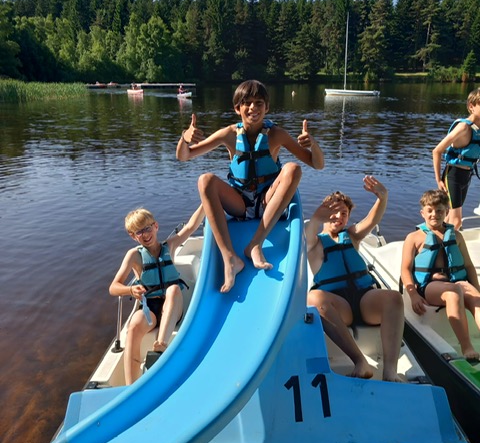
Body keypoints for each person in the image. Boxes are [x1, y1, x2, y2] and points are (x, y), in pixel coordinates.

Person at [176, 79, 325, 293]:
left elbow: (317, 164)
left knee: (293, 169)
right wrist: (184, 138)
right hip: (239, 203)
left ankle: (255, 244)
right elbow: (184, 156)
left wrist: (314, 144)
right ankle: (230, 258)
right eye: (247, 103)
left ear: (267, 107)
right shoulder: (228, 134)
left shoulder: (277, 134)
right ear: (237, 108)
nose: (253, 107)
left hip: (267, 200)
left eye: (259, 103)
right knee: (205, 180)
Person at [305, 176, 403, 382]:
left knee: (394, 297)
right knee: (314, 298)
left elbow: (371, 220)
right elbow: (309, 232)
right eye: (334, 211)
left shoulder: (352, 236)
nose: (338, 217)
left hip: (365, 300)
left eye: (344, 213)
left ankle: (390, 371)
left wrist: (382, 198)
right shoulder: (314, 243)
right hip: (339, 306)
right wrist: (316, 217)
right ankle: (360, 362)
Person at [109, 204, 204, 384]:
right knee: (134, 326)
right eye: (139, 232)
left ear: (156, 226)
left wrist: (207, 200)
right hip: (149, 309)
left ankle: (160, 347)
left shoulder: (171, 245)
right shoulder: (133, 255)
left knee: (173, 289)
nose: (145, 234)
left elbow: (191, 226)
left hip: (173, 308)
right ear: (133, 236)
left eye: (147, 228)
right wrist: (130, 289)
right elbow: (113, 287)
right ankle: (131, 386)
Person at [401, 189, 480, 363]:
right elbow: (405, 269)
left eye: (439, 210)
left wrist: (477, 288)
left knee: (476, 298)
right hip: (431, 285)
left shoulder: (456, 236)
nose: (434, 214)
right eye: (429, 210)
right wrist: (413, 295)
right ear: (422, 213)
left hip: (457, 281)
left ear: (447, 212)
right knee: (453, 292)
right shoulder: (414, 238)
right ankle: (466, 346)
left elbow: (468, 265)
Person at [432, 88, 480, 230]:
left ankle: (436, 241)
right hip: (453, 175)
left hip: (466, 175)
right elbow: (437, 151)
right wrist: (438, 180)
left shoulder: (478, 129)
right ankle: (442, 242)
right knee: (456, 221)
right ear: (471, 106)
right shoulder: (463, 127)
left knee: (448, 218)